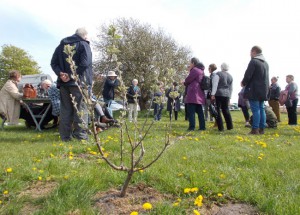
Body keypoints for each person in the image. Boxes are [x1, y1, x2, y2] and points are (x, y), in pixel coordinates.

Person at [51, 27, 92, 141]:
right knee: (81, 109)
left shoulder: (61, 46)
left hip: (64, 84)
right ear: (84, 35)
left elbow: (53, 63)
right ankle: (81, 137)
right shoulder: (84, 44)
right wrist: (70, 75)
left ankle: (65, 137)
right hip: (79, 83)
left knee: (66, 110)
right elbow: (85, 64)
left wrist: (61, 74)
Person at [241, 46, 269, 135]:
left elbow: (248, 74)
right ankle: (262, 128)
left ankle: (255, 129)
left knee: (256, 110)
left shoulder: (254, 61)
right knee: (261, 109)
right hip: (263, 89)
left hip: (254, 89)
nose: (250, 54)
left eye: (250, 52)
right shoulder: (265, 63)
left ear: (254, 52)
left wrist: (243, 82)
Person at [184, 57, 206, 131]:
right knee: (200, 111)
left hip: (193, 92)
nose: (189, 64)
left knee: (191, 111)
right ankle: (202, 127)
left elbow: (188, 79)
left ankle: (192, 127)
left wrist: (184, 82)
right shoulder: (201, 70)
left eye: (190, 63)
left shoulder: (195, 70)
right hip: (199, 93)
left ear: (193, 63)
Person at [210, 63, 233, 131]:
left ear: (221, 67)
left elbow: (215, 85)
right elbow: (231, 87)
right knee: (226, 110)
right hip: (227, 94)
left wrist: (213, 94)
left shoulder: (218, 74)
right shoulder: (230, 76)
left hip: (219, 93)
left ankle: (221, 127)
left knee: (218, 110)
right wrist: (230, 96)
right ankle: (230, 126)